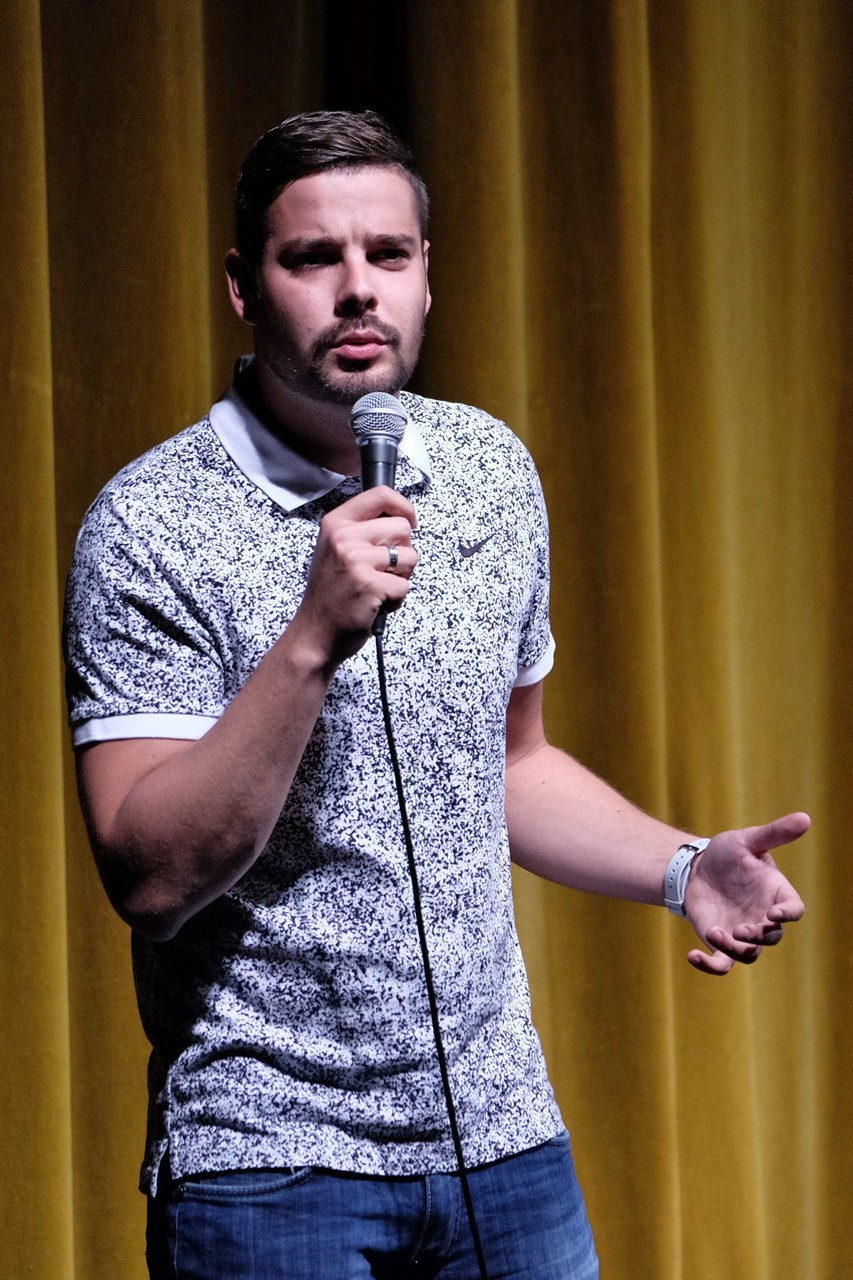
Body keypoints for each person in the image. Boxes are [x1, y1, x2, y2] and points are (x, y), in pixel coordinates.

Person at [63, 111, 808, 1280]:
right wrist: (312, 635)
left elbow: (511, 763)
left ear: (426, 277)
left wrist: (680, 866)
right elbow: (150, 879)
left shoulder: (489, 470)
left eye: (388, 254)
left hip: (501, 1143)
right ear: (244, 287)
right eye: (314, 257)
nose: (358, 288)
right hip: (269, 1164)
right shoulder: (149, 523)